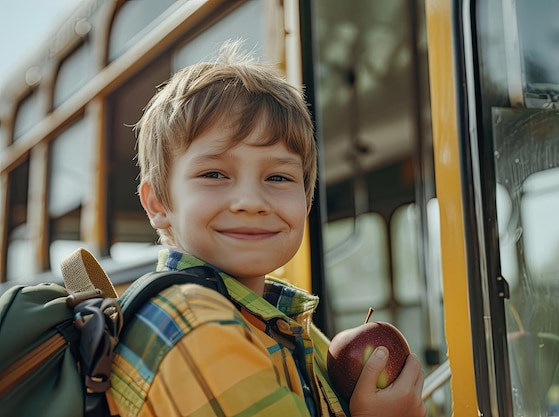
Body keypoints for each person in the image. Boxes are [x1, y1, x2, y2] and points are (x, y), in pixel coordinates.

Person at [109, 40, 426, 417]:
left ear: (305, 204)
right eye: (214, 174)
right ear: (158, 204)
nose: (252, 201)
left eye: (277, 177)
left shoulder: (278, 321)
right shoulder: (192, 324)